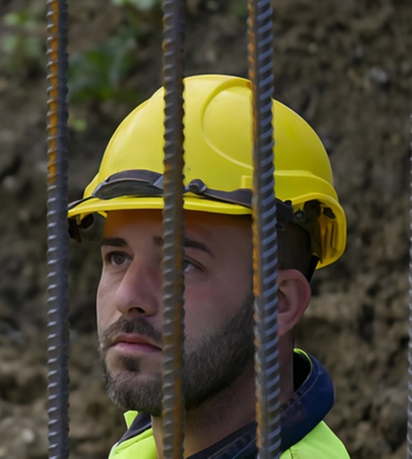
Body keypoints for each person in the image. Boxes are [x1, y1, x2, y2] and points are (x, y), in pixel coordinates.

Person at [68, 74, 348, 458]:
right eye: (118, 257)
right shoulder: (149, 439)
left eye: (182, 265)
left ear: (278, 304)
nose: (128, 296)